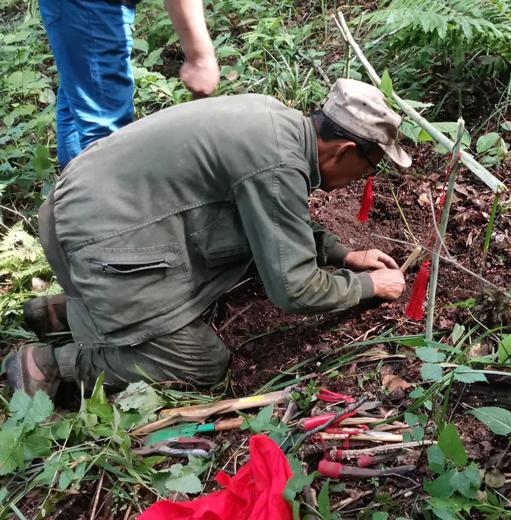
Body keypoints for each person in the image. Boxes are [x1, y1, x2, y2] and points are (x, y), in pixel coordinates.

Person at [7, 79, 411, 398]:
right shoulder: (278, 165)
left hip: (69, 211)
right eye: (368, 169)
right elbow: (296, 290)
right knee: (201, 362)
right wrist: (368, 285)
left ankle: (64, 314)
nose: (360, 181)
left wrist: (343, 255)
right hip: (95, 242)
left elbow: (274, 218)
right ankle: (50, 363)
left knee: (237, 255)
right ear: (343, 152)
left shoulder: (271, 119)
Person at [38, 0, 219, 169]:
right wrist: (198, 55)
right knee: (107, 133)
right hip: (87, 7)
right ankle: (104, 199)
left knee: (80, 95)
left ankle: (75, 196)